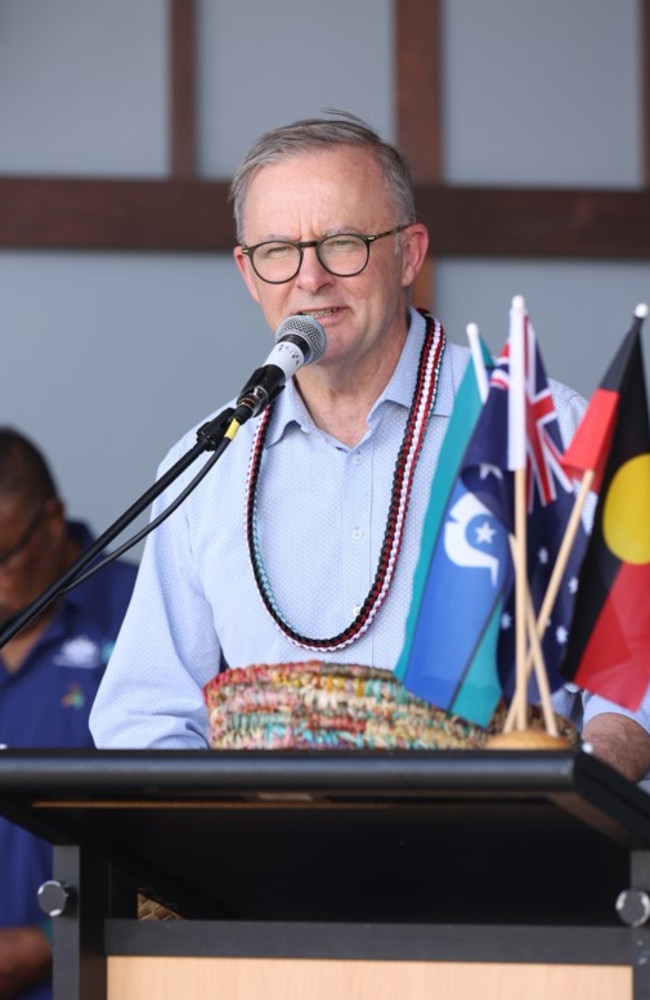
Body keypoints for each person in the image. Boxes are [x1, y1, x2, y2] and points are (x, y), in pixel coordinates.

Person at [89, 111, 650, 783]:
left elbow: (636, 675)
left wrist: (582, 792)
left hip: (506, 859)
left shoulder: (544, 430)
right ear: (247, 271)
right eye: (278, 251)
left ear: (409, 253)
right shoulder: (208, 462)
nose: (310, 278)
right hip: (271, 870)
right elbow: (146, 714)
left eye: (343, 242)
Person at [0, 428, 137, 1000]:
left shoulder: (141, 616)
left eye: (1, 557)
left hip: (99, 981)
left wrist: (50, 938)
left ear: (52, 519)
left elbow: (195, 833)